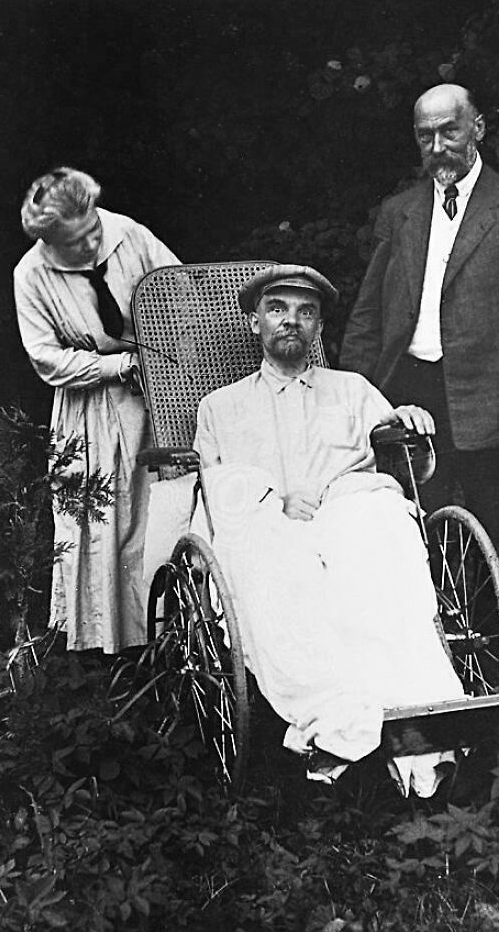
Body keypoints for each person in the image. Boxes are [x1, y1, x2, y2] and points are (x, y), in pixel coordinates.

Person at [192, 263, 465, 796]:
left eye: (306, 313)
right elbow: (215, 489)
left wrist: (408, 420)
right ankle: (338, 717)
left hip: (346, 522)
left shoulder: (354, 391)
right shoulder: (220, 407)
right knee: (270, 560)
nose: (290, 322)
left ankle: (427, 712)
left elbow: (409, 465)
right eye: (277, 310)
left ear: (318, 329)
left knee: (380, 526)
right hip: (271, 527)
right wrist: (270, 496)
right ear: (254, 323)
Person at [340, 84, 499, 584]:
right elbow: (368, 314)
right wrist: (359, 396)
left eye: (449, 130)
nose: (438, 146)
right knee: (413, 526)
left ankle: (496, 653)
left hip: (495, 399)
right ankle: (429, 649)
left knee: (498, 530)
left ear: (478, 129)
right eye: (424, 136)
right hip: (410, 394)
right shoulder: (398, 213)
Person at [14, 167, 180, 653]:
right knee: (102, 520)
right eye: (74, 244)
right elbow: (46, 357)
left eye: (91, 233)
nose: (89, 247)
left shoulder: (128, 234)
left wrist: (164, 358)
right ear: (49, 242)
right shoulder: (31, 275)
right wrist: (113, 367)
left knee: (159, 510)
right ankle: (109, 646)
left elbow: (179, 291)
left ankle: (170, 636)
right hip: (92, 407)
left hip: (158, 393)